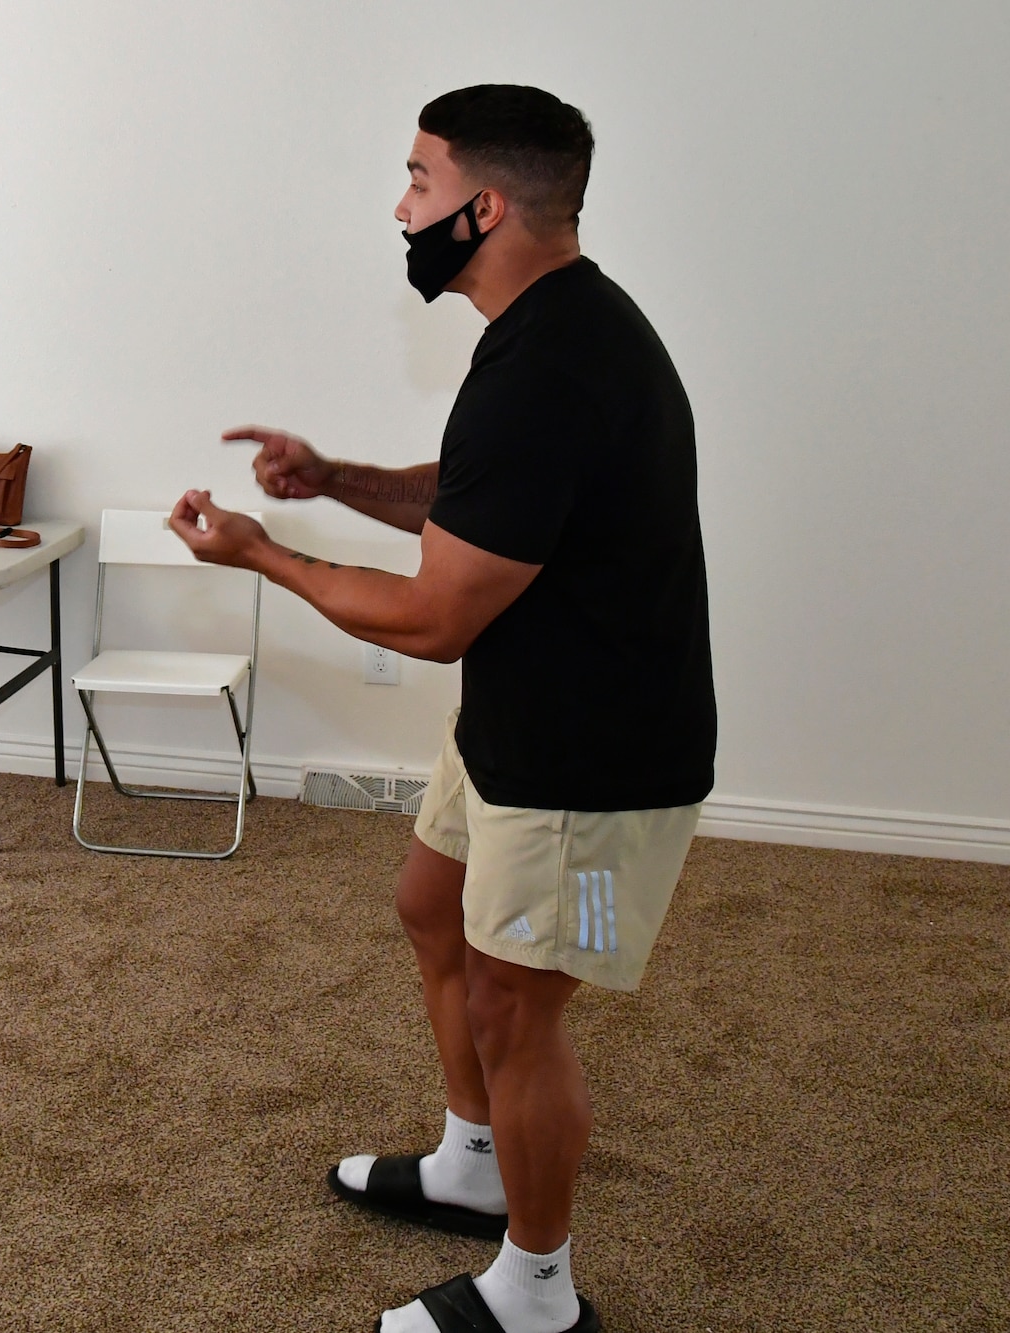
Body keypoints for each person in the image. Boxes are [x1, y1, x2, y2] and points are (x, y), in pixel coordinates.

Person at [170, 85, 714, 1333]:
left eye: (417, 182)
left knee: (518, 1004)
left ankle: (536, 1288)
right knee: (430, 907)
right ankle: (473, 1164)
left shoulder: (554, 363)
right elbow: (478, 500)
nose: (401, 206)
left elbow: (431, 617)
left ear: (481, 206)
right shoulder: (537, 329)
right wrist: (334, 479)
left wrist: (264, 553)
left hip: (592, 765)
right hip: (521, 717)